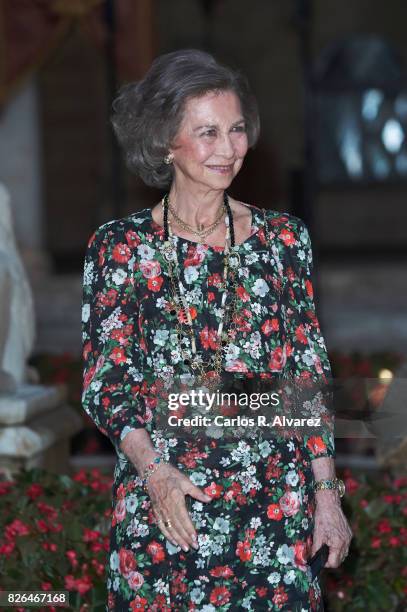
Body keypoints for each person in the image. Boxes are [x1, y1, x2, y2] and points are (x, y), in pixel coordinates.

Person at [81, 49, 353, 612]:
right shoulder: (120, 248)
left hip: (275, 508)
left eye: (235, 130)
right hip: (166, 501)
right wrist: (155, 475)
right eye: (206, 133)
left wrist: (326, 495)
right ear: (164, 143)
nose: (227, 150)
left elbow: (306, 372)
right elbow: (106, 382)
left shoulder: (283, 240)